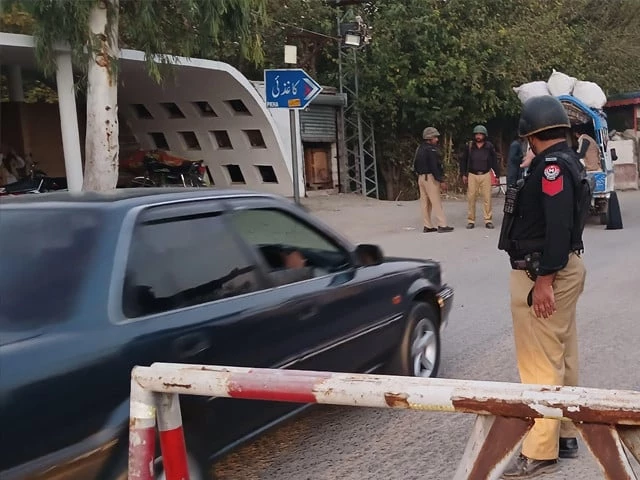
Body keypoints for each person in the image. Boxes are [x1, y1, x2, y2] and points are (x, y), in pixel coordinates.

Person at [499, 96, 588, 479]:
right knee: (562, 355)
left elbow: (557, 227)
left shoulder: (551, 168)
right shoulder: (563, 162)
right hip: (557, 269)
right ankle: (564, 434)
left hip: (543, 273)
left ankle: (539, 451)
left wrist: (545, 281)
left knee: (539, 365)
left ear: (532, 136)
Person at [413, 127, 454, 233]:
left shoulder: (419, 148)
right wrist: (441, 180)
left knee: (425, 203)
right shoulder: (431, 150)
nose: (437, 139)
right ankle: (442, 224)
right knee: (436, 201)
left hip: (421, 178)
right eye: (435, 137)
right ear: (429, 138)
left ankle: (427, 225)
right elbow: (434, 166)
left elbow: (415, 164)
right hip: (430, 178)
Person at [460, 125, 500, 229]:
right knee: (471, 198)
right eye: (476, 134)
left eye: (480, 134)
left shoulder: (489, 146)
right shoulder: (469, 146)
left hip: (485, 174)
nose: (478, 136)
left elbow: (494, 161)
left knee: (487, 198)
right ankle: (471, 220)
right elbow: (463, 160)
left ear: (484, 135)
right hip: (472, 175)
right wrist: (464, 174)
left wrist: (497, 175)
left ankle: (488, 220)